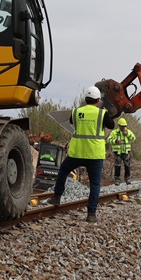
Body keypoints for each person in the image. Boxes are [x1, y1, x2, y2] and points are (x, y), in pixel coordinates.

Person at [47, 86, 114, 222]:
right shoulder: (102, 114)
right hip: (94, 155)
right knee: (95, 184)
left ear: (85, 99)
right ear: (98, 100)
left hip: (76, 153)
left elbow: (72, 122)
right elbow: (111, 125)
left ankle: (56, 197)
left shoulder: (76, 112)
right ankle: (91, 214)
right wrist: (107, 112)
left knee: (63, 170)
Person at [107, 117, 137, 185]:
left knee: (127, 166)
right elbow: (108, 140)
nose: (123, 127)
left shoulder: (128, 132)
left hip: (126, 152)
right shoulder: (114, 133)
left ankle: (127, 179)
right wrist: (115, 141)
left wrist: (128, 134)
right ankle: (117, 180)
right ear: (119, 125)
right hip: (118, 153)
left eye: (124, 126)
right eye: (122, 126)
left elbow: (133, 138)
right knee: (117, 166)